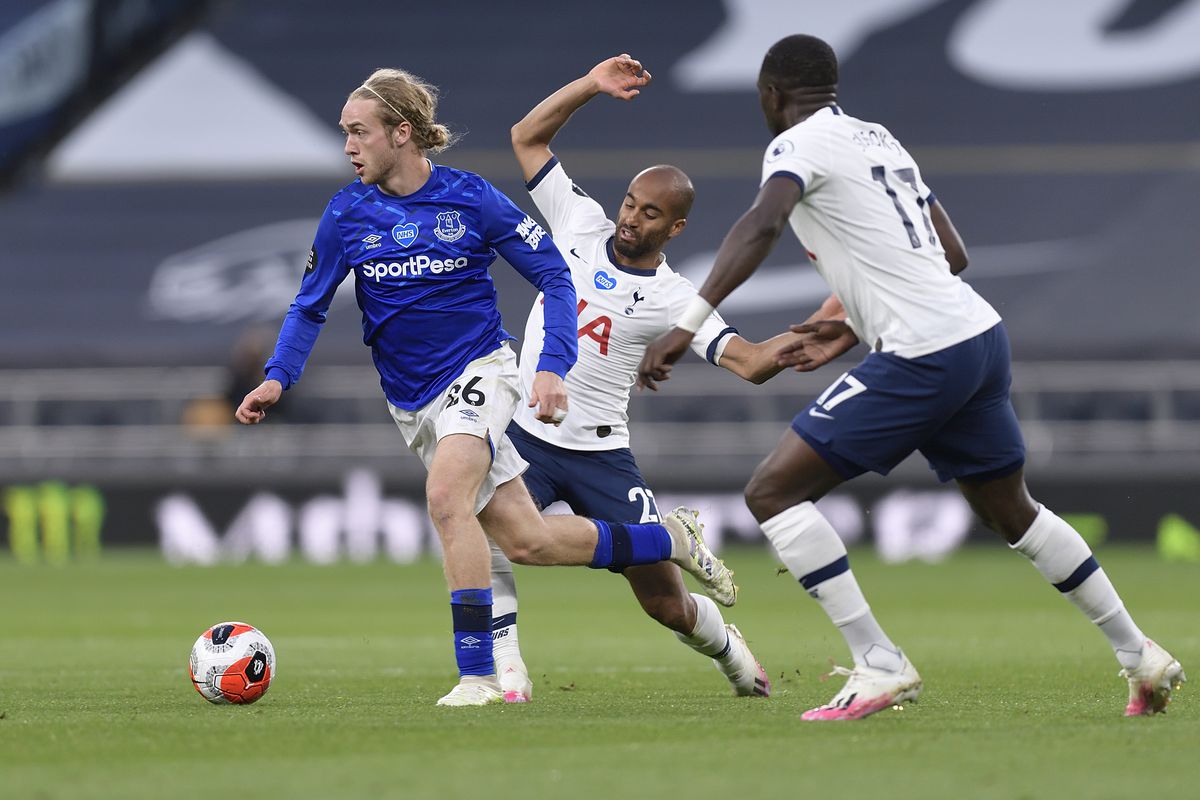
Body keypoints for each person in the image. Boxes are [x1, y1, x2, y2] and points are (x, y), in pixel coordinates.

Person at [638, 34, 1185, 720]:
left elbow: (761, 224)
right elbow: (951, 252)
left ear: (771, 96)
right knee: (1009, 510)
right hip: (978, 336)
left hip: (924, 351)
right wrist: (848, 323)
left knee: (773, 492)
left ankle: (879, 664)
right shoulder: (879, 138)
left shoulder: (794, 147)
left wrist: (687, 324)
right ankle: (1140, 655)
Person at [235, 67, 736, 707]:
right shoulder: (346, 213)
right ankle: (669, 539)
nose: (348, 146)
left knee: (446, 498)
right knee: (529, 541)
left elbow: (556, 277)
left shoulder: (471, 199)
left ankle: (478, 675)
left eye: (358, 132)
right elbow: (308, 307)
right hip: (410, 400)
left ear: (402, 132)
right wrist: (278, 377)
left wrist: (552, 365)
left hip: (481, 373)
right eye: (344, 134)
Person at [490, 54, 810, 703]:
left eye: (650, 213)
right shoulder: (579, 223)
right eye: (631, 203)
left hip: (602, 453)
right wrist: (588, 85)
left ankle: (730, 651)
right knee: (489, 531)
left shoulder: (673, 296)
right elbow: (527, 136)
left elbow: (748, 362)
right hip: (526, 431)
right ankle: (504, 667)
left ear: (677, 226)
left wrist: (824, 329)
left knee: (664, 601)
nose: (631, 218)